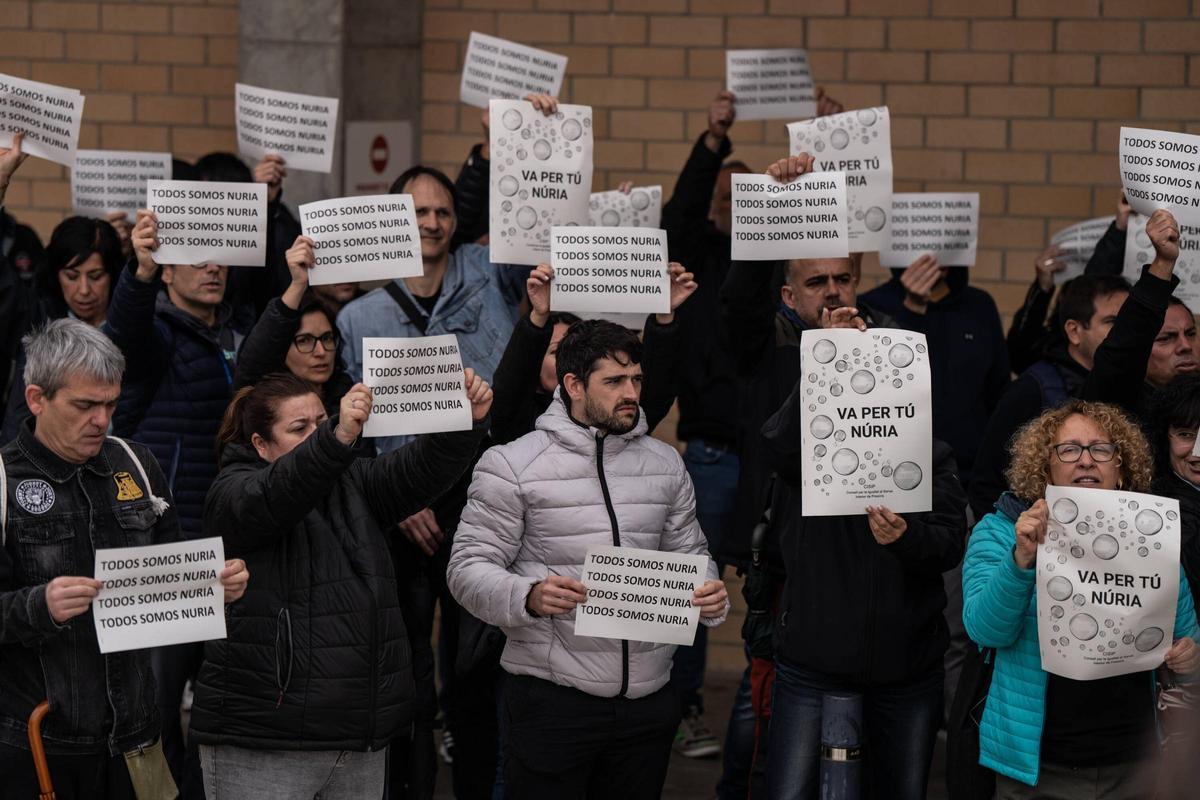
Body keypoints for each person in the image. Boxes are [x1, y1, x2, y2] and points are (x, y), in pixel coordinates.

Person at [447, 319, 728, 798]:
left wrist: (709, 592)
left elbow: (690, 551)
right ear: (573, 385)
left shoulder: (665, 463)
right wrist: (527, 595)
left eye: (636, 379)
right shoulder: (512, 464)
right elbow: (466, 569)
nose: (631, 393)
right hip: (552, 702)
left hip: (649, 700)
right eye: (614, 381)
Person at [189, 368, 493, 799]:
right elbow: (279, 493)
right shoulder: (233, 491)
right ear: (260, 444)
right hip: (266, 739)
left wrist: (467, 422)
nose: (318, 433)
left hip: (357, 738)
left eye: (320, 421)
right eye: (300, 428)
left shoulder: (351, 482)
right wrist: (333, 439)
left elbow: (416, 470)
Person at [661, 89, 841, 766]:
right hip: (713, 451)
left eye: (755, 198)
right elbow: (683, 213)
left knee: (776, 596)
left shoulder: (794, 282)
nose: (743, 206)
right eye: (733, 198)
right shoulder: (706, 257)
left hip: (778, 460)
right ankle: (683, 707)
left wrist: (825, 145)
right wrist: (713, 141)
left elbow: (829, 230)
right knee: (696, 589)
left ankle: (766, 721)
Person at [0, 318, 248, 800]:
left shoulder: (135, 462)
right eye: (85, 405)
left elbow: (175, 590)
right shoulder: (3, 482)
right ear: (36, 399)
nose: (102, 420)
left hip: (138, 741)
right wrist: (38, 605)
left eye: (111, 404)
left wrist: (217, 590)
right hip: (38, 747)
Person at [759, 343, 967, 800]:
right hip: (813, 664)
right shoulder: (807, 452)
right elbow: (775, 443)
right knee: (789, 792)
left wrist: (905, 538)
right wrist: (818, 364)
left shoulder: (930, 457)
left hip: (907, 671)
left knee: (900, 791)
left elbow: (950, 545)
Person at [962, 399, 1199, 796]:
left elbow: (1188, 636)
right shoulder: (1002, 531)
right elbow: (985, 630)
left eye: (1101, 449)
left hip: (1136, 766)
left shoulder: (1152, 534)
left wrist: (1189, 655)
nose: (1086, 460)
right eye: (1069, 449)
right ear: (1045, 466)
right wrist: (1020, 559)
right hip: (1039, 770)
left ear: (1121, 468)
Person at [104, 208, 253, 796]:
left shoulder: (237, 335)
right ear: (167, 271)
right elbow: (124, 337)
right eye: (195, 255)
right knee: (159, 711)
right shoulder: (156, 334)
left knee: (222, 712)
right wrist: (138, 275)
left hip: (228, 551)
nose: (212, 265)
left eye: (220, 253)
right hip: (167, 551)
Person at [970, 275, 1131, 520]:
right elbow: (986, 484)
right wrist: (1014, 544)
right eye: (1111, 322)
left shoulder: (1137, 384)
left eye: (1128, 323)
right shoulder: (1032, 390)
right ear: (1075, 331)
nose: (1126, 334)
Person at [859, 254, 1010, 487]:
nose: (932, 255)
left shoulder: (979, 305)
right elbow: (875, 391)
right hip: (897, 474)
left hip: (971, 478)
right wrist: (912, 310)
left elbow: (999, 395)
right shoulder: (872, 305)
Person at [3, 215, 124, 442]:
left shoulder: (132, 327)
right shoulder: (38, 324)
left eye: (96, 276)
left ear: (113, 275)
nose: (84, 289)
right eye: (71, 276)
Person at [1006, 192, 1132, 373]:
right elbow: (1019, 350)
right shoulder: (1052, 358)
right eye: (1110, 322)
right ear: (1073, 328)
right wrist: (1041, 290)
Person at [234, 236, 354, 419]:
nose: (321, 352)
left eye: (327, 338)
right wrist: (298, 283)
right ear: (281, 349)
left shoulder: (348, 401)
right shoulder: (264, 405)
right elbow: (254, 362)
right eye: (304, 341)